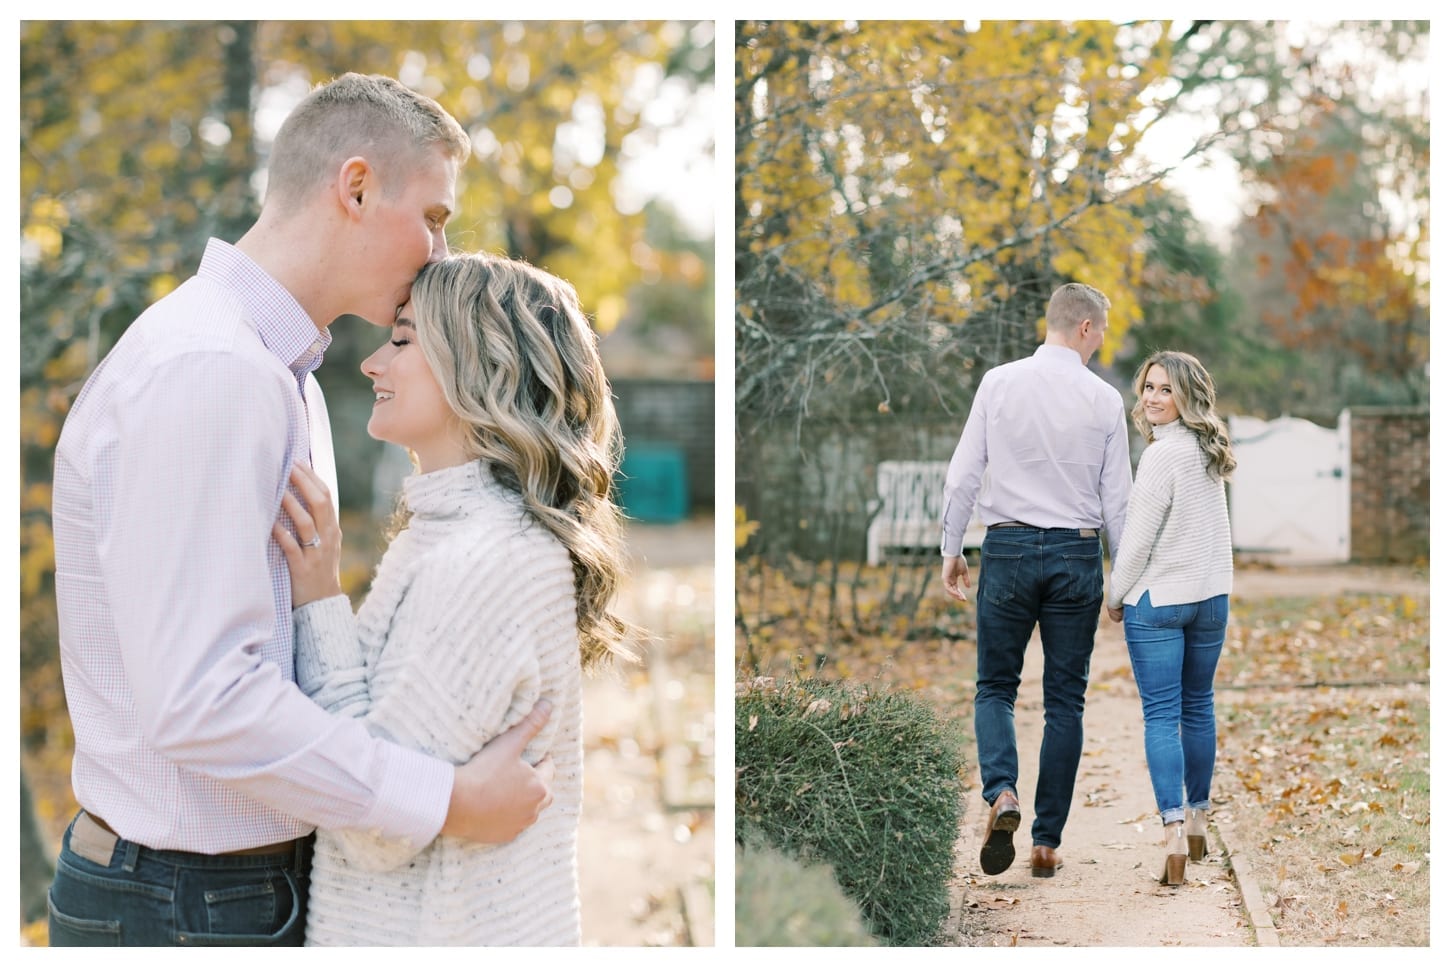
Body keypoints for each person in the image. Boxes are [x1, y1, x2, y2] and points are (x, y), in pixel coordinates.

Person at [48, 73, 553, 947]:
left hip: (216, 894)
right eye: (433, 217)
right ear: (355, 187)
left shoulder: (281, 379)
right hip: (186, 904)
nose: (439, 251)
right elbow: (205, 700)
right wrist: (447, 802)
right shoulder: (213, 370)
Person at [273, 252, 630, 945]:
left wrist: (317, 599)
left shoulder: (484, 560)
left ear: (485, 366)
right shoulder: (455, 537)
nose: (373, 363)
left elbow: (370, 824)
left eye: (403, 340)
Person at [941, 282, 1133, 879]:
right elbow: (1118, 501)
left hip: (1010, 549)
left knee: (995, 686)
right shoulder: (1104, 400)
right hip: (1076, 556)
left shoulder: (999, 383)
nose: (1100, 342)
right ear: (1083, 327)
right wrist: (1120, 580)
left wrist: (952, 548)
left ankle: (1002, 793)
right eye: (1099, 331)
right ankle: (1046, 841)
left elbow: (962, 476)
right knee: (1065, 702)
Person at [1105, 350, 1235, 887]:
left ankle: (1175, 832)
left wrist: (1114, 595)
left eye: (1165, 389)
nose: (1153, 398)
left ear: (1187, 394)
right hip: (1211, 597)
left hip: (1160, 602)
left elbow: (1136, 542)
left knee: (1162, 715)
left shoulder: (1160, 456)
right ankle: (1201, 818)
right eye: (1148, 388)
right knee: (1198, 707)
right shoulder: (1209, 451)